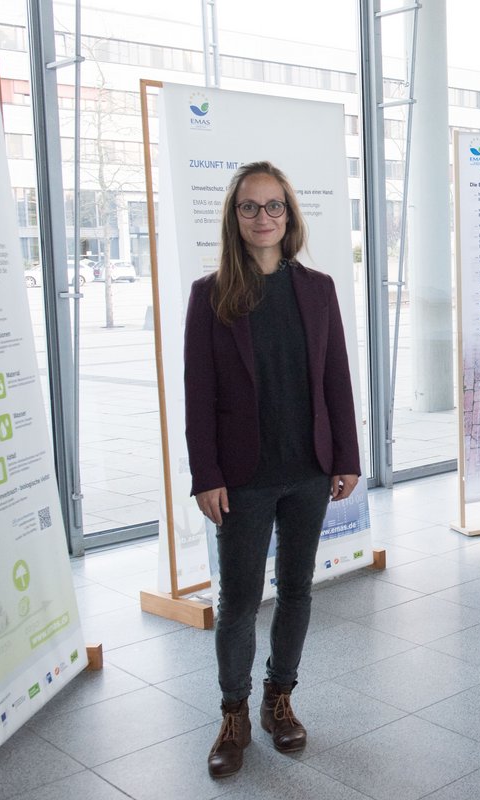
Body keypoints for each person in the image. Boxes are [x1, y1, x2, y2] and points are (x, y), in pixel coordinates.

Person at [183, 161, 360, 777]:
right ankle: (233, 712)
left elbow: (335, 377)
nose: (263, 218)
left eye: (274, 206)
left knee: (297, 591)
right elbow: (197, 393)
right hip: (243, 475)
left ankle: (278, 699)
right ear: (234, 217)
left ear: (290, 215)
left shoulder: (318, 289)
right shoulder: (210, 296)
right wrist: (205, 473)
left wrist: (346, 457)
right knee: (238, 601)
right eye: (250, 207)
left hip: (309, 466)